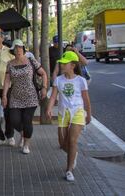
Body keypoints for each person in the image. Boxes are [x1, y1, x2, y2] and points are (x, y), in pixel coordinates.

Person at [46, 51, 92, 182]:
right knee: (62, 144)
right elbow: (54, 96)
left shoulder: (81, 80)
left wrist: (88, 114)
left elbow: (86, 99)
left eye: (64, 63)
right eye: (61, 63)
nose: (61, 65)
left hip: (77, 112)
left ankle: (69, 170)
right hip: (63, 113)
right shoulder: (58, 80)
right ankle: (74, 154)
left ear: (72, 65)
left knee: (72, 141)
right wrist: (49, 109)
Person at [2, 39, 48, 154]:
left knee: (27, 121)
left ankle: (26, 144)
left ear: (23, 49)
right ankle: (23, 134)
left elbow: (43, 73)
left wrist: (44, 87)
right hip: (15, 96)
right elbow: (7, 81)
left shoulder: (31, 61)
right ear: (13, 51)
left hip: (30, 96)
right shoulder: (10, 64)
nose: (18, 50)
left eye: (20, 48)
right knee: (14, 120)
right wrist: (4, 96)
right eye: (16, 48)